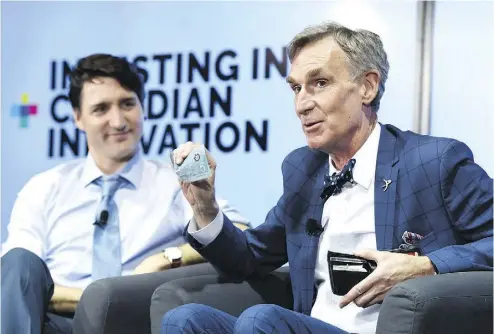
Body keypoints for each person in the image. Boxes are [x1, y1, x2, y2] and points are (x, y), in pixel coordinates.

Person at [160, 21, 493, 334]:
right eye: (296, 89)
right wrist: (205, 206)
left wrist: (427, 266)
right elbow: (249, 259)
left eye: (319, 83)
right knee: (184, 320)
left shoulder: (433, 162)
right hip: (316, 325)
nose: (302, 104)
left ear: (367, 86)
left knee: (262, 321)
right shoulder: (303, 171)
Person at [0, 53, 250, 334]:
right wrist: (97, 299)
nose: (118, 121)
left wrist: (167, 258)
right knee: (19, 261)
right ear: (78, 118)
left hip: (135, 320)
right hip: (57, 322)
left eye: (127, 104)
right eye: (101, 109)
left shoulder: (171, 183)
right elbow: (15, 280)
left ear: (143, 108)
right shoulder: (43, 188)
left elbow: (240, 232)